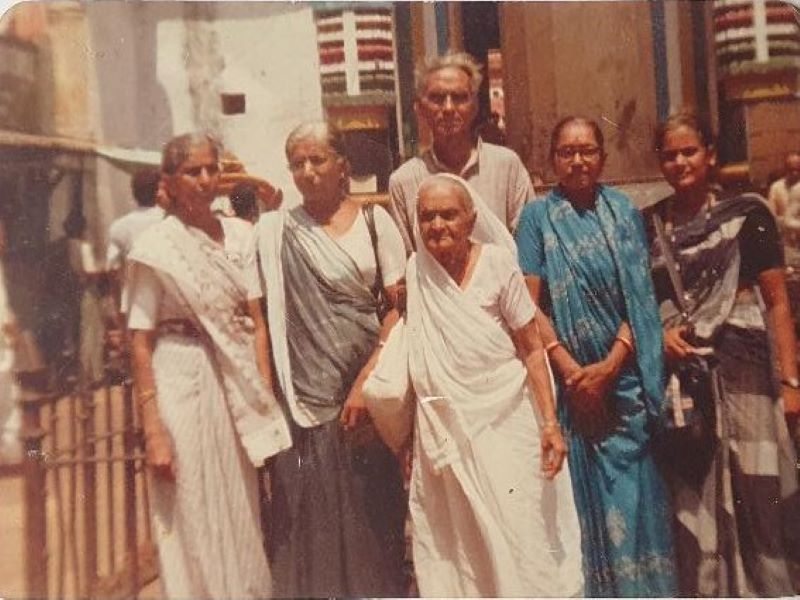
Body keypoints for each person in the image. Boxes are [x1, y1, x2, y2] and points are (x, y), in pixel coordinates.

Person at [389, 173, 583, 597]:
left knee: (521, 530)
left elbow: (532, 349)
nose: (437, 225)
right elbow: (422, 365)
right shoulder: (415, 272)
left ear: (471, 218)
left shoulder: (497, 263)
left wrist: (550, 424)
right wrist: (416, 435)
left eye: (448, 215)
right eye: (427, 217)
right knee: (461, 546)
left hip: (508, 420)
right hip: (447, 432)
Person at [515, 116, 677, 597]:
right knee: (579, 518)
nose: (578, 160)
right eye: (567, 152)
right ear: (552, 161)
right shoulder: (536, 219)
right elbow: (528, 306)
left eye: (587, 150)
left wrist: (608, 369)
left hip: (622, 388)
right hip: (570, 393)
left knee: (634, 508)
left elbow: (641, 301)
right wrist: (570, 372)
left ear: (603, 157)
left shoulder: (625, 212)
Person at [246, 121, 408, 597]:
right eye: (298, 163)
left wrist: (365, 380)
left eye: (318, 160)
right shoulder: (274, 232)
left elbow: (399, 309)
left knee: (371, 514)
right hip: (304, 403)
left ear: (343, 167)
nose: (308, 171)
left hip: (368, 396)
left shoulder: (378, 224)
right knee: (308, 519)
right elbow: (260, 318)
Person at [127, 133, 291, 599]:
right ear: (170, 182)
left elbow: (257, 321)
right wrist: (153, 428)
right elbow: (139, 342)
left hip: (236, 377)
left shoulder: (240, 235)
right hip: (181, 373)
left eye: (211, 169)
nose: (204, 180)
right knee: (192, 505)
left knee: (241, 503)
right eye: (192, 171)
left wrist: (261, 390)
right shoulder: (156, 247)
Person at [646, 110, 800, 597]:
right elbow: (643, 306)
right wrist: (660, 339)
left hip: (749, 373)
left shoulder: (749, 214)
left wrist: (792, 385)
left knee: (759, 493)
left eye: (689, 151)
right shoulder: (650, 228)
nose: (679, 162)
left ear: (710, 155)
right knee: (696, 499)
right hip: (687, 383)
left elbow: (776, 302)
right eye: (669, 155)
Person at [389, 51, 534, 253]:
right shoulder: (404, 181)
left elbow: (528, 248)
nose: (448, 108)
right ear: (420, 109)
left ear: (475, 107)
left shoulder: (507, 166)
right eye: (437, 98)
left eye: (459, 98)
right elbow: (407, 260)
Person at [106, 168, 166, 318]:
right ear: (158, 191)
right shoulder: (169, 222)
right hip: (167, 306)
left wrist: (119, 309)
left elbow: (112, 271)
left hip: (134, 306)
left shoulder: (120, 226)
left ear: (134, 193)